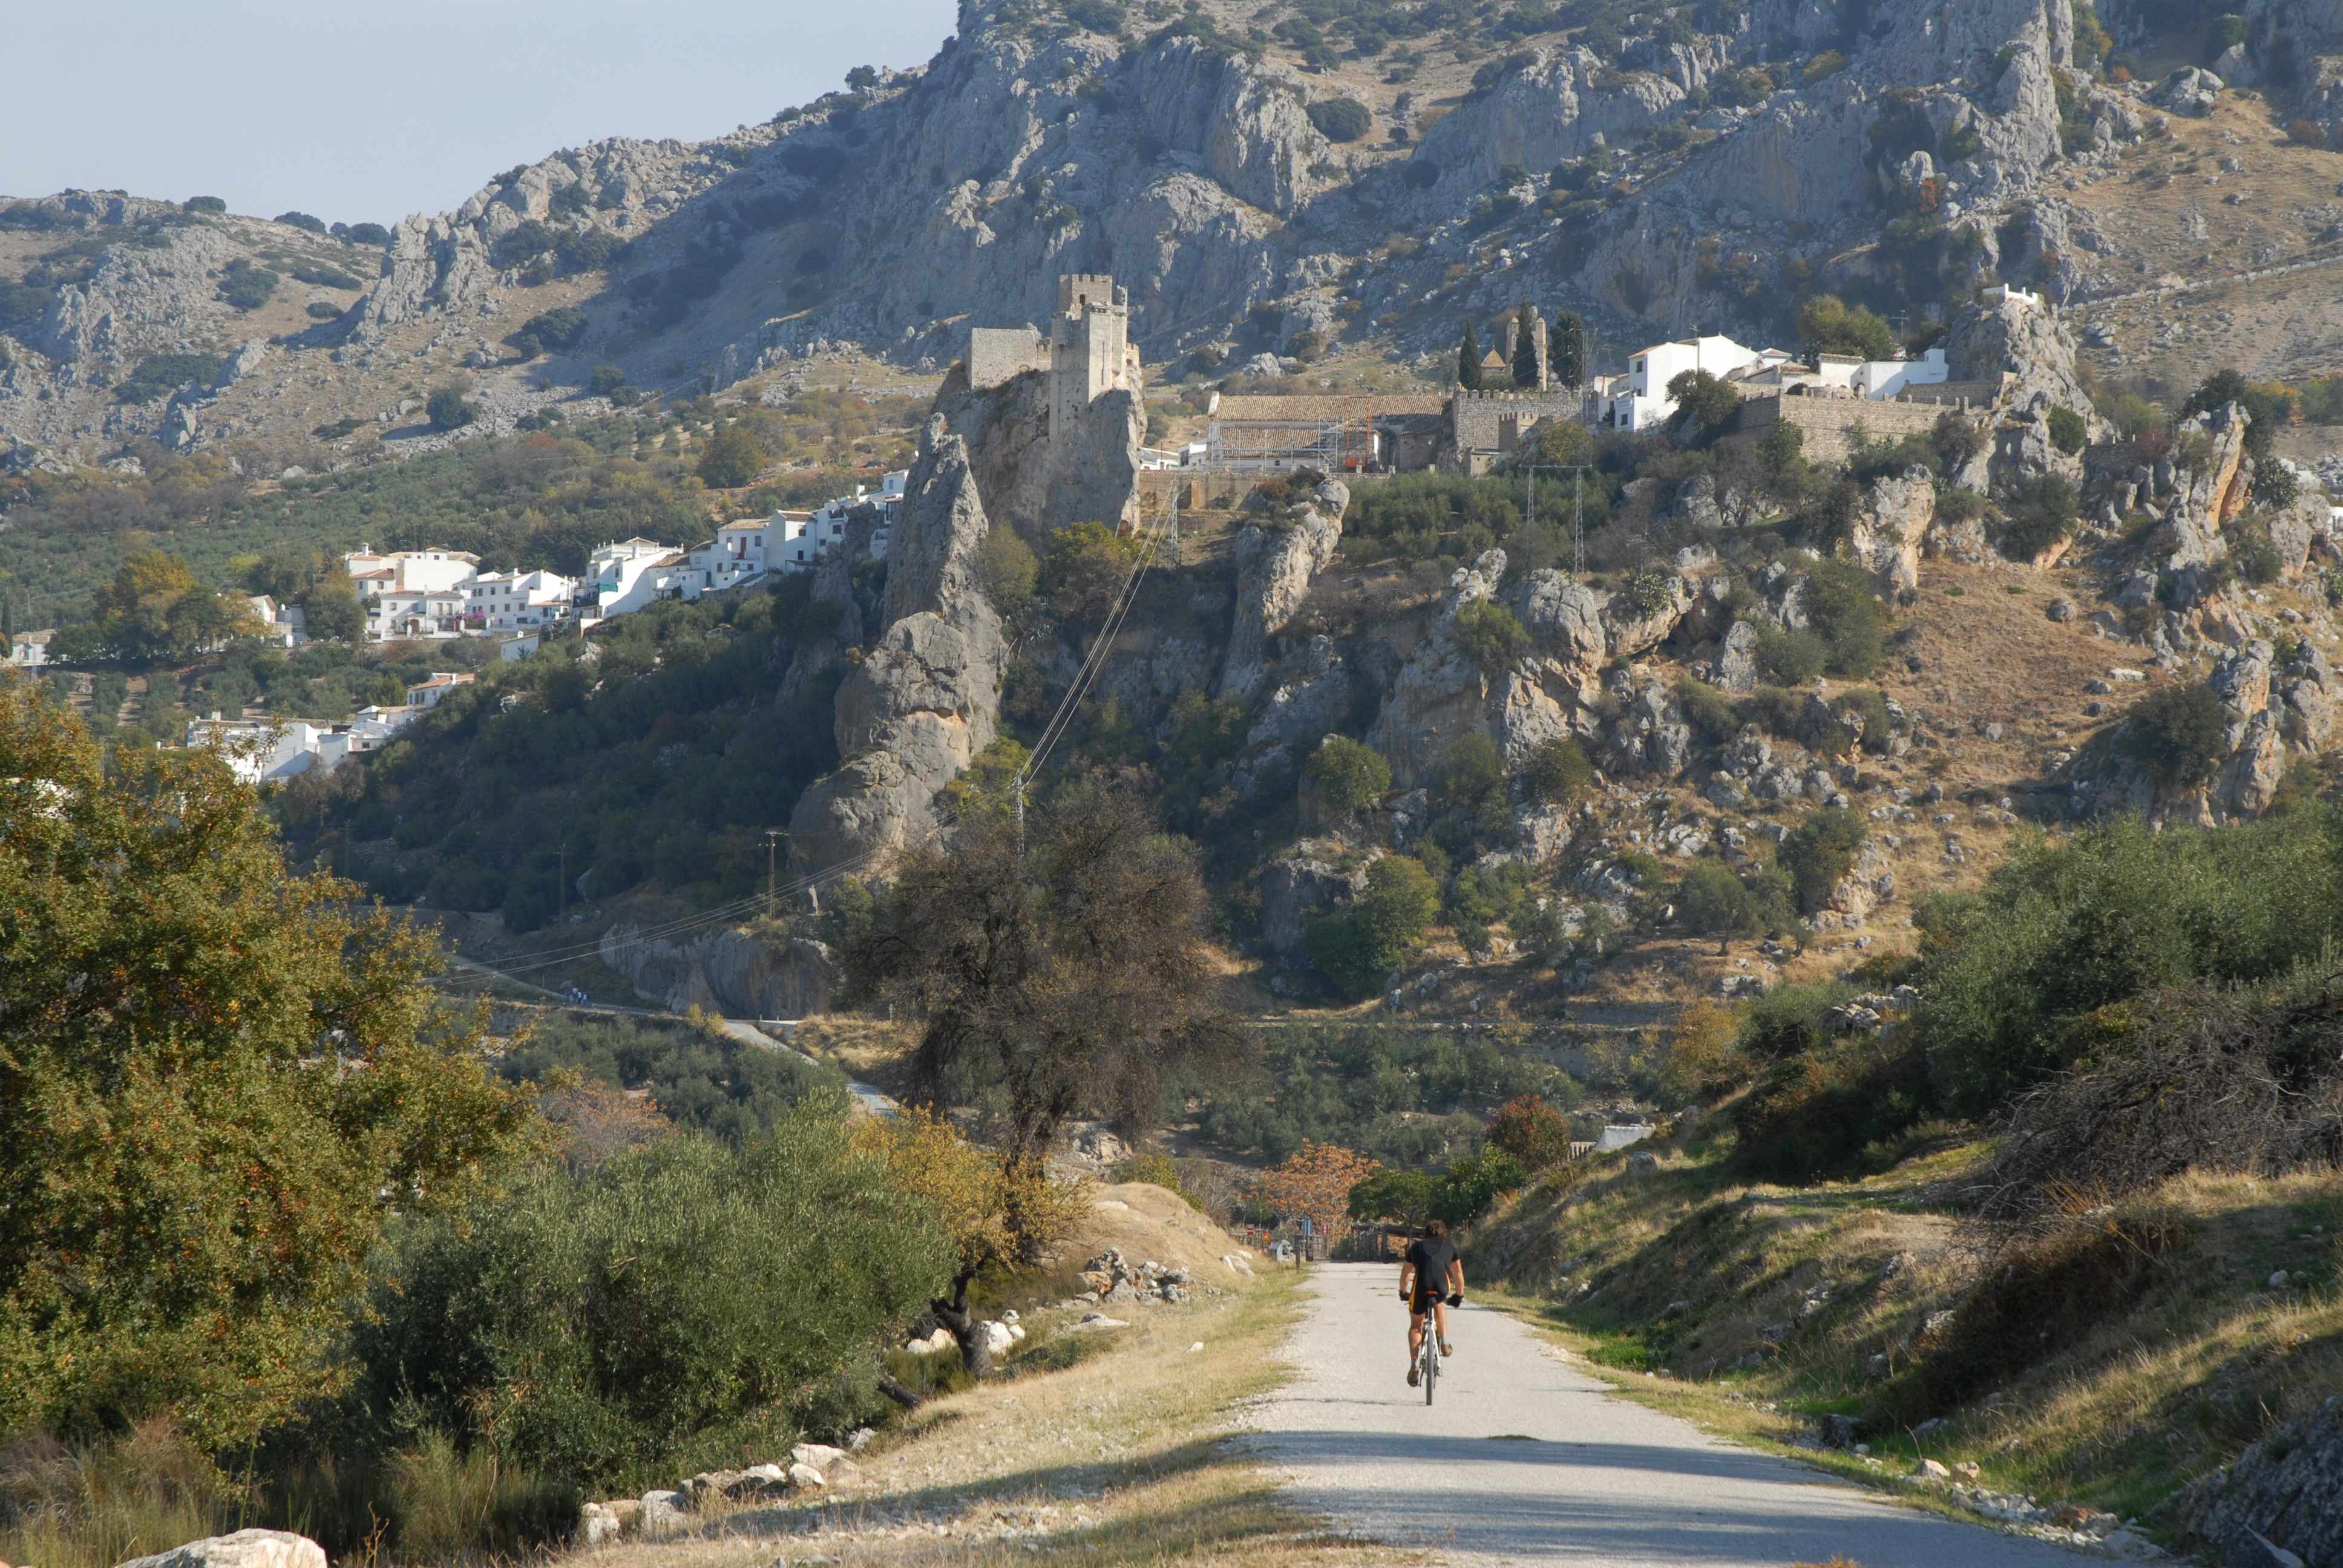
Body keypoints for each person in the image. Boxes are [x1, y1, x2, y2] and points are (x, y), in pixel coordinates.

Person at [1399, 1218, 1464, 1387]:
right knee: (1439, 1304)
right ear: (1445, 1234)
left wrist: (1403, 1292)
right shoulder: (1449, 1247)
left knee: (1415, 1326)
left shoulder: (1417, 1247)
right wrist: (1459, 1295)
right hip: (1441, 1286)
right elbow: (1458, 1274)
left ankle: (1414, 1365)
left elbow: (1406, 1273)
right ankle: (1443, 1343)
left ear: (1426, 1234)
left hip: (1421, 1286)